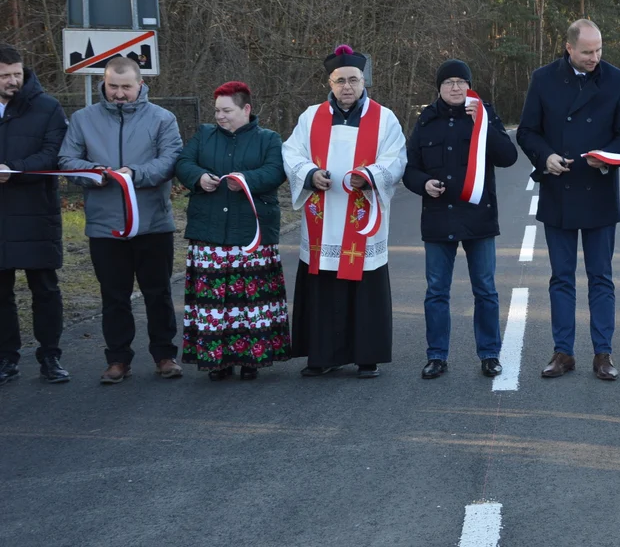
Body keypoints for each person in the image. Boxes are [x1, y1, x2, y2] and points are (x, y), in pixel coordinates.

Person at [517, 19, 620, 380]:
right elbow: (527, 131)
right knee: (562, 278)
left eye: (599, 50)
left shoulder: (617, 80)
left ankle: (603, 353)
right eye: (587, 51)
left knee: (601, 277)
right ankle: (563, 352)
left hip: (599, 189)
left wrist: (609, 156)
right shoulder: (543, 79)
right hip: (560, 189)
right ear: (569, 48)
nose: (595, 57)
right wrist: (546, 157)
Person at [282, 45, 406, 378]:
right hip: (323, 219)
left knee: (364, 286)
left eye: (353, 80)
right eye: (340, 81)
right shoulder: (311, 116)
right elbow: (291, 153)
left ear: (364, 81)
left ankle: (367, 357)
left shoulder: (384, 118)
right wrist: (310, 173)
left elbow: (396, 159)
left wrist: (367, 177)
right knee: (324, 287)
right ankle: (323, 356)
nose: (347, 87)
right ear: (330, 82)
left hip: (362, 218)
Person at [59, 57, 184, 384]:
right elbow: (67, 159)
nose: (119, 93)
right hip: (105, 226)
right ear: (104, 83)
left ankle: (165, 355)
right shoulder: (83, 119)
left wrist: (136, 174)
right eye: (113, 86)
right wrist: (93, 174)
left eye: (126, 87)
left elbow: (171, 160)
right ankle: (117, 359)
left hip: (153, 223)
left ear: (140, 85)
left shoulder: (162, 119)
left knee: (157, 292)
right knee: (114, 295)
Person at [403, 60, 518, 379]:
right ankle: (437, 356)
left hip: (478, 218)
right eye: (448, 82)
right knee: (437, 291)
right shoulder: (425, 120)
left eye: (461, 81)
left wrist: (486, 124)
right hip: (438, 220)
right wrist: (423, 183)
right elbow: (409, 168)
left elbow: (508, 158)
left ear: (469, 85)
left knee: (485, 289)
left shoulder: (485, 114)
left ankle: (489, 354)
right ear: (438, 88)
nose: (455, 87)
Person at [174, 82, 290, 381]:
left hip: (251, 233)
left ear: (246, 109)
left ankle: (252, 359)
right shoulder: (204, 135)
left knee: (251, 301)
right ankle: (218, 360)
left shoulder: (269, 139)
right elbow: (183, 163)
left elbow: (276, 171)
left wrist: (246, 179)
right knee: (214, 301)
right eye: (217, 111)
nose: (220, 117)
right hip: (209, 231)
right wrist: (199, 177)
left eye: (227, 110)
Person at [0, 44, 70, 385]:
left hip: (36, 212)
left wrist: (14, 170)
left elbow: (55, 153)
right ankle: (6, 358)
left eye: (17, 73)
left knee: (45, 289)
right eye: (4, 76)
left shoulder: (47, 107)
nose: (13, 81)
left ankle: (50, 357)